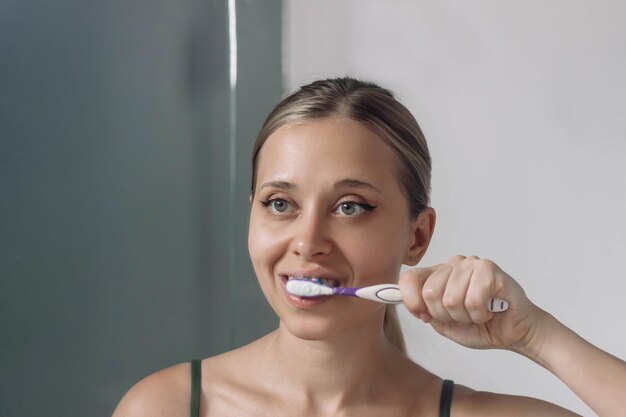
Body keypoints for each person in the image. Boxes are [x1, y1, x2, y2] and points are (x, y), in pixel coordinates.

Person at [112, 77, 626, 417]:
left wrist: (537, 335)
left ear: (417, 236)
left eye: (350, 206)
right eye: (280, 204)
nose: (308, 242)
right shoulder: (169, 406)